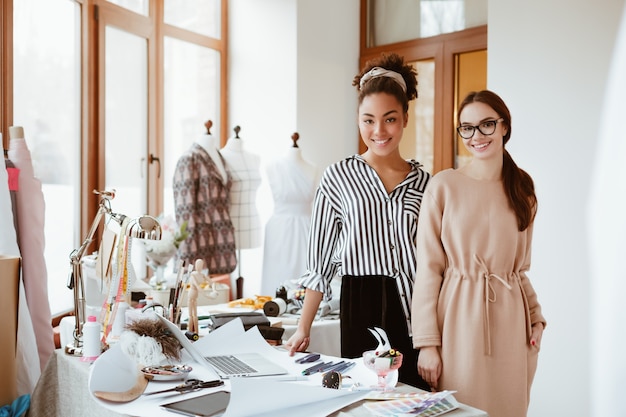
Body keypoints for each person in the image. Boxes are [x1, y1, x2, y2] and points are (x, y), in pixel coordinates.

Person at [285, 52, 431, 390]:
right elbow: (319, 262)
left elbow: (437, 262)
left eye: (390, 119)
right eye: (368, 120)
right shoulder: (339, 177)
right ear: (358, 119)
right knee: (366, 399)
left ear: (405, 119)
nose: (378, 131)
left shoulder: (426, 183)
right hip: (359, 302)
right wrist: (303, 327)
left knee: (414, 398)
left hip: (414, 306)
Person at [411, 90, 546, 417]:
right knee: (459, 409)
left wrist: (536, 317)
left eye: (486, 125)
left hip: (512, 323)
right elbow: (429, 270)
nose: (476, 136)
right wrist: (428, 343)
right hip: (458, 321)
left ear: (504, 126)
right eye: (467, 128)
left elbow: (520, 269)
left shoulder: (522, 188)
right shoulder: (443, 186)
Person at [172, 129, 237, 274]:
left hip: (221, 240)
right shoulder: (189, 159)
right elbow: (184, 211)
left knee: (218, 290)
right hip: (200, 241)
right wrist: (188, 252)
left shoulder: (219, 157)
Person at [260, 136, 319, 296]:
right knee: (277, 277)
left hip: (307, 228)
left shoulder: (312, 168)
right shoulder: (273, 166)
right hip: (279, 230)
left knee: (307, 278)